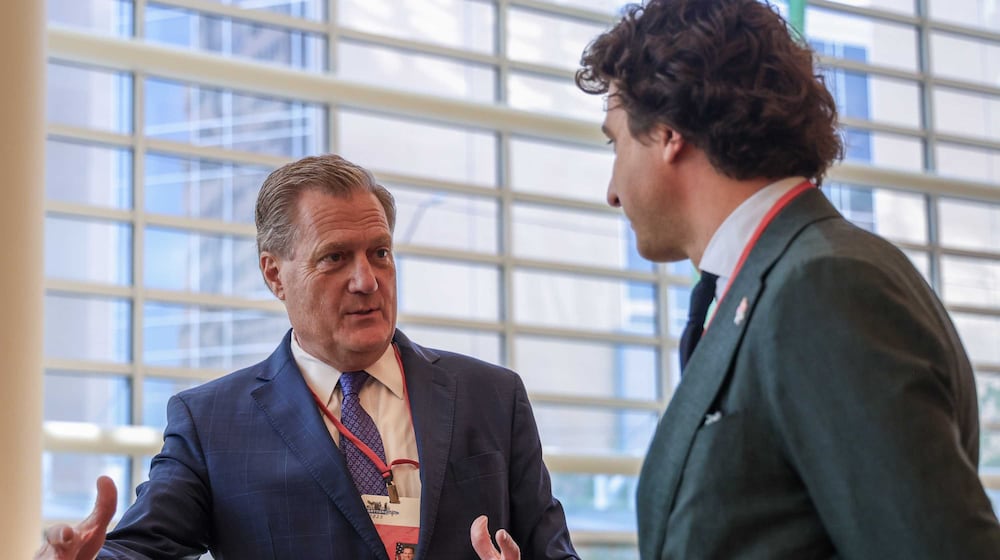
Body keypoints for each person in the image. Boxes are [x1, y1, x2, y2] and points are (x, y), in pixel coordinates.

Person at [472, 0, 1000, 558]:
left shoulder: (822, 289)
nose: (612, 189)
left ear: (669, 132)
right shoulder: (765, 284)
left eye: (616, 142)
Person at [37, 154, 578, 560]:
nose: (367, 280)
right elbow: (136, 550)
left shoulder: (491, 397)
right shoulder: (212, 423)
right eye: (335, 258)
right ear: (275, 274)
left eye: (380, 253)